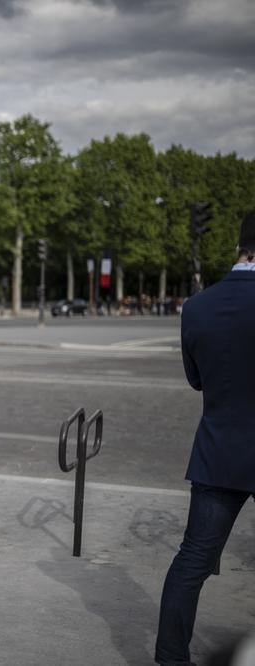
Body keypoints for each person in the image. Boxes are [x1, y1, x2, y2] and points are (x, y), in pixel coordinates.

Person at [154, 212, 255, 665]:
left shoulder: (196, 306)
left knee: (192, 561)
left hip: (220, 452)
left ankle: (171, 658)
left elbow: (196, 380)